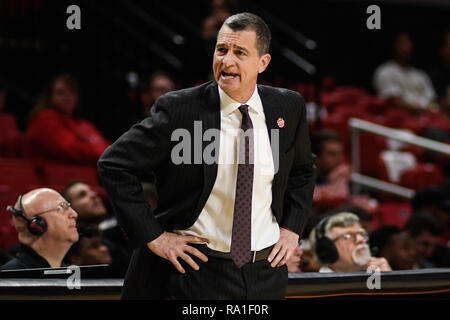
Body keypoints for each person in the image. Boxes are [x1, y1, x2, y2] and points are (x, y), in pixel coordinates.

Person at [98, 12, 316, 299]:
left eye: (240, 52)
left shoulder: (287, 107)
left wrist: (292, 228)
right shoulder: (180, 110)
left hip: (265, 272)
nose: (226, 61)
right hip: (196, 270)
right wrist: (154, 237)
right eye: (221, 49)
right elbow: (114, 165)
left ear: (263, 63)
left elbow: (304, 170)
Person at [25, 73, 110, 165]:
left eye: (72, 92)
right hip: (53, 176)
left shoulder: (83, 124)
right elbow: (70, 149)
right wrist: (105, 153)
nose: (67, 96)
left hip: (81, 176)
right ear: (50, 97)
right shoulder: (45, 119)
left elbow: (107, 148)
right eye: (61, 92)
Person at [61, 181, 132, 277]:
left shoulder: (116, 239)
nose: (94, 195)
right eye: (82, 195)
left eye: (92, 191)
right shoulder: (63, 251)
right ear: (70, 210)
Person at [1, 188, 78, 271]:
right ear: (37, 224)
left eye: (69, 206)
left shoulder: (71, 273)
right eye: (63, 207)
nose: (74, 214)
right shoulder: (11, 278)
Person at [373, 32, 438, 113]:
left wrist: (430, 109)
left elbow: (432, 101)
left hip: (426, 118)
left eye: (408, 43)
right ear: (394, 45)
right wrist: (422, 109)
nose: (405, 47)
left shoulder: (421, 75)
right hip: (399, 118)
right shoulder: (385, 71)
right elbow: (394, 101)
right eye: (402, 43)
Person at [309, 212, 391, 272]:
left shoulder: (375, 277)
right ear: (327, 251)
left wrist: (389, 282)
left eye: (362, 234)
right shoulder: (318, 289)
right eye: (347, 236)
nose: (360, 239)